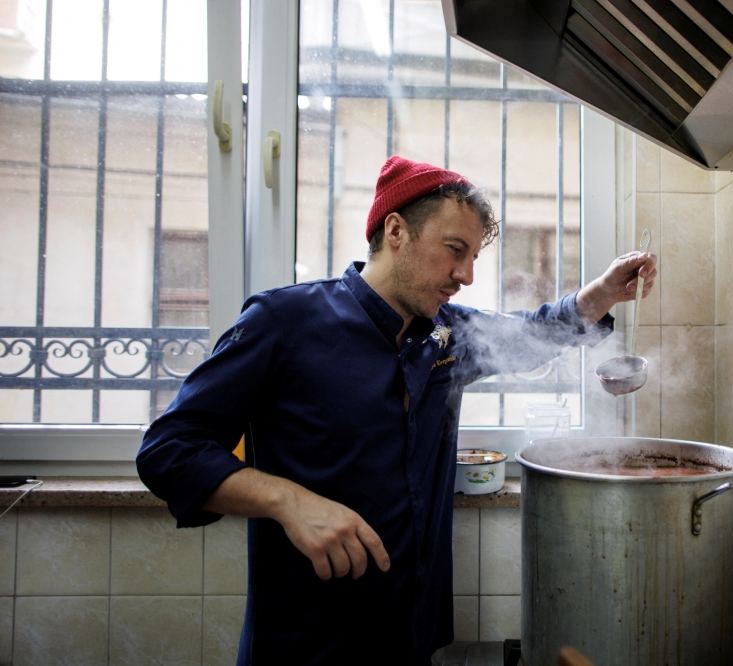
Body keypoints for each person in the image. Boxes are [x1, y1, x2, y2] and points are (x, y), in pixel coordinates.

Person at [137, 156, 657, 665]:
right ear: (396, 231)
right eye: (455, 250)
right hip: (307, 641)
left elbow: (532, 333)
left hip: (410, 636)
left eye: (474, 257)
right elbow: (169, 450)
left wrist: (604, 293)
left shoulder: (446, 333)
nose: (466, 275)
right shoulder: (285, 322)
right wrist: (286, 500)